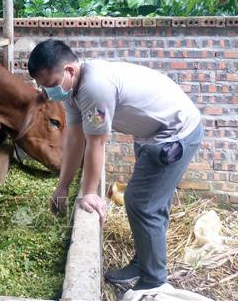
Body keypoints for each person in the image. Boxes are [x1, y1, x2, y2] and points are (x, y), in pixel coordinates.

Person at [27, 39, 203, 291]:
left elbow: (96, 142)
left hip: (174, 134)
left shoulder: (94, 87)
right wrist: (62, 186)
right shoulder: (72, 92)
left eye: (50, 84)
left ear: (69, 71)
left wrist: (89, 193)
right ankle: (144, 262)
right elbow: (75, 139)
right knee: (150, 203)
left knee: (142, 203)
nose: (46, 93)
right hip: (150, 134)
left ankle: (153, 281)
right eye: (42, 86)